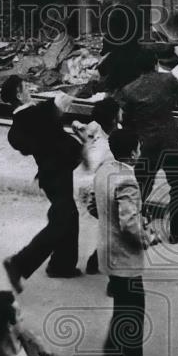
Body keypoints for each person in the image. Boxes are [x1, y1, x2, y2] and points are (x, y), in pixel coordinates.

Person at [92, 128, 160, 356]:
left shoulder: (104, 171)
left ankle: (114, 346)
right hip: (124, 257)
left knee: (122, 303)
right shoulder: (127, 180)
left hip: (106, 251)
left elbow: (92, 203)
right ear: (133, 152)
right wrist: (148, 238)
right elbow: (130, 225)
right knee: (132, 310)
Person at [2, 92, 84, 290]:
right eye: (26, 88)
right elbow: (56, 105)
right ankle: (19, 263)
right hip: (55, 173)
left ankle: (61, 265)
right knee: (62, 220)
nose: (31, 91)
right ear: (20, 94)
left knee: (69, 215)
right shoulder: (33, 114)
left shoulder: (23, 120)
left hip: (54, 173)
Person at [114, 49, 178, 244]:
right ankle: (177, 231)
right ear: (155, 63)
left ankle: (133, 223)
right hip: (170, 142)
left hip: (147, 145)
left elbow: (127, 122)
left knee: (141, 185)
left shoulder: (129, 90)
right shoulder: (167, 80)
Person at [72, 96, 120, 276]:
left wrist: (81, 132)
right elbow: (89, 166)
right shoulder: (103, 147)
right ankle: (105, 268)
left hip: (101, 188)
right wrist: (86, 146)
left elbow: (78, 125)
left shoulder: (97, 127)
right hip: (96, 191)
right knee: (115, 227)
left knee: (112, 227)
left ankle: (96, 262)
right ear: (115, 118)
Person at [96, 0, 143, 92]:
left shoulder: (115, 14)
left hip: (120, 61)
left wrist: (102, 57)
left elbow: (112, 43)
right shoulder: (130, 9)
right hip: (133, 56)